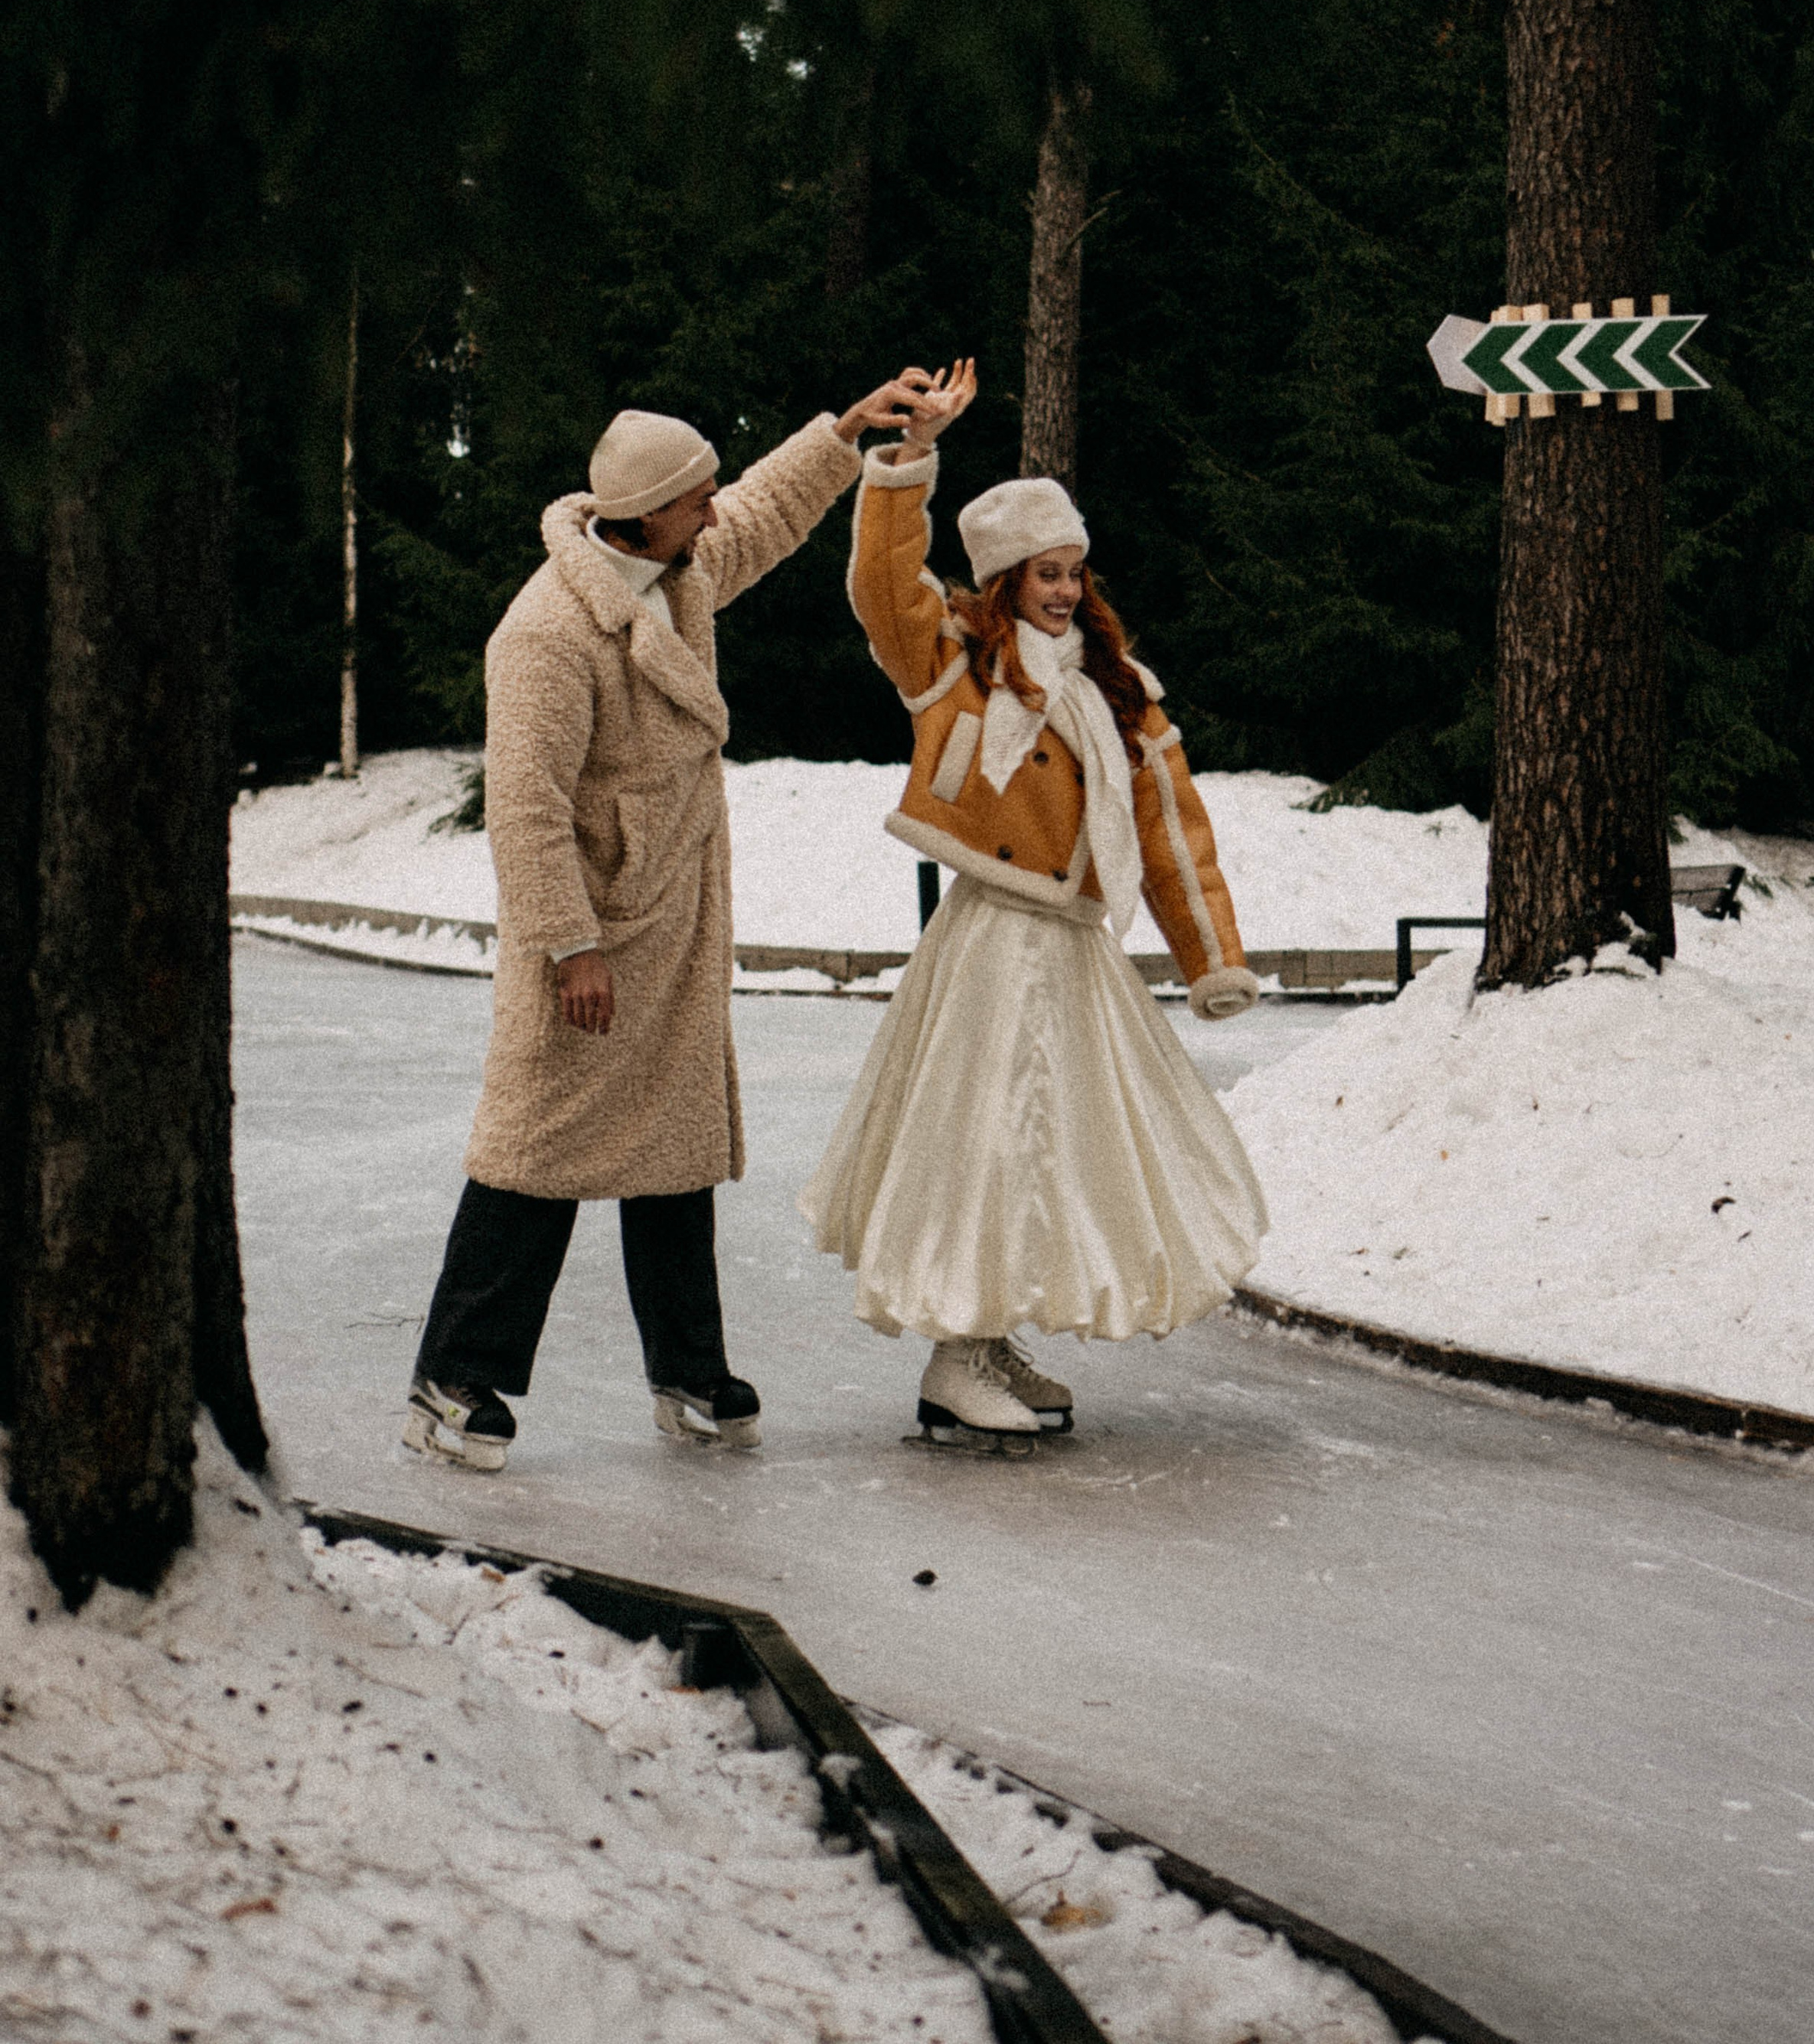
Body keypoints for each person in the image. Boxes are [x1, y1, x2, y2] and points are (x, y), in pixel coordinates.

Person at [404, 377, 930, 1471]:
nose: (714, 510)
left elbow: (771, 509)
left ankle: (688, 1371)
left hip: (674, 924)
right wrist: (571, 944)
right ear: (643, 511)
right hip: (592, 938)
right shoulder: (549, 632)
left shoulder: (680, 572)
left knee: (673, 1152)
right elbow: (526, 809)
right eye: (696, 498)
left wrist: (844, 433)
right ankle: (453, 1376)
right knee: (536, 1150)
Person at [800, 360, 1268, 1443]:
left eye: (1073, 571)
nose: (1063, 590)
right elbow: (882, 583)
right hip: (992, 942)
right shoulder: (953, 663)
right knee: (990, 1144)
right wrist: (909, 459)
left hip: (1070, 945)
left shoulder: (1121, 690)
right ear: (1004, 580)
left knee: (1053, 1149)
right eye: (1042, 574)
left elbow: (1171, 831)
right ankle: (958, 1353)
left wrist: (1212, 957)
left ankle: (985, 1338)